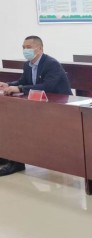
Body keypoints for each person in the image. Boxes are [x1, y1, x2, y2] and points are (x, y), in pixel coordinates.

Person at [0, 35, 72, 177]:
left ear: (39, 49)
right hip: (40, 104)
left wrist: (20, 88)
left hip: (59, 106)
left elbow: (48, 86)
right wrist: (8, 85)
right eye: (23, 47)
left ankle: (16, 159)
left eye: (29, 47)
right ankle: (11, 157)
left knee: (20, 122)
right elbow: (23, 81)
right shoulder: (28, 64)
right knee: (11, 119)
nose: (25, 50)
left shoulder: (51, 63)